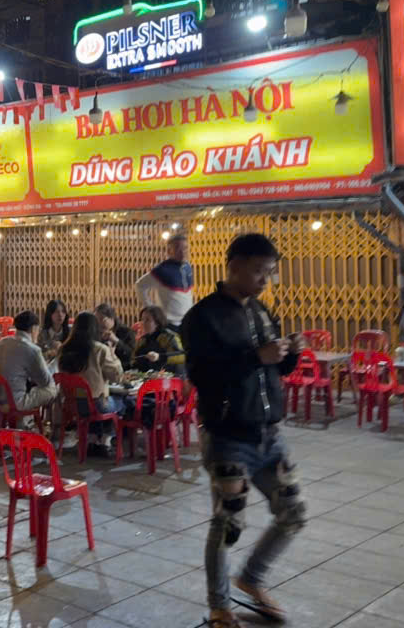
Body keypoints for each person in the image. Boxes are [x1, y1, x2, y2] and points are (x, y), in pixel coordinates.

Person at [184, 233, 305, 627]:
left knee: (293, 512)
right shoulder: (203, 317)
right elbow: (202, 375)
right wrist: (256, 357)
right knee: (229, 522)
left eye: (269, 272)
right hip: (228, 437)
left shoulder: (261, 311)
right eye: (258, 271)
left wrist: (290, 354)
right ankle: (219, 606)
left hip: (269, 435)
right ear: (234, 266)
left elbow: (273, 369)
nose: (264, 280)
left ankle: (251, 578)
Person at [58, 311, 128, 452]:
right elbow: (116, 376)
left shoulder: (63, 348)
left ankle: (92, 438)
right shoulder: (99, 349)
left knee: (97, 402)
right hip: (95, 405)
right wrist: (113, 355)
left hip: (71, 404)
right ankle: (105, 440)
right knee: (123, 401)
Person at [0, 310, 58, 416]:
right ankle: (53, 422)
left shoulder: (2, 342)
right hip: (15, 402)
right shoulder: (32, 349)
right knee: (52, 389)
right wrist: (56, 362)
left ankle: (22, 422)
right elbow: (45, 381)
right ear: (33, 328)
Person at [136, 233, 195, 329]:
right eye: (177, 248)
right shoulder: (162, 270)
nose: (182, 252)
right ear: (169, 251)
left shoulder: (187, 266)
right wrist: (151, 308)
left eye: (185, 248)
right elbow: (139, 285)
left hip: (188, 321)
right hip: (169, 323)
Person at [133, 305, 186, 378]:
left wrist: (159, 357)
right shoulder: (143, 340)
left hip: (170, 378)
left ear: (157, 322)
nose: (143, 323)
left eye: (147, 320)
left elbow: (182, 356)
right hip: (146, 378)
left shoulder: (169, 337)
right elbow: (134, 359)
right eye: (142, 319)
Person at [94, 303, 137, 370]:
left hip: (123, 369)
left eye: (102, 319)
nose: (99, 323)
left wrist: (117, 341)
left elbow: (131, 354)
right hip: (101, 369)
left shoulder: (126, 332)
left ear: (112, 318)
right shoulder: (95, 333)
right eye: (96, 320)